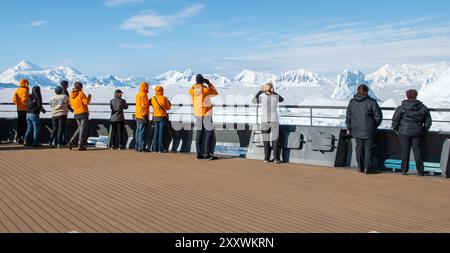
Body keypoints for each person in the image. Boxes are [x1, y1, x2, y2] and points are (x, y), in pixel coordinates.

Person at [392, 90, 432, 176]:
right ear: (416, 96)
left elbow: (395, 119)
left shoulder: (401, 107)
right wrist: (423, 130)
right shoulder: (423, 108)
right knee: (417, 151)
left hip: (403, 132)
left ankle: (404, 170)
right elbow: (428, 121)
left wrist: (396, 129)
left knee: (405, 151)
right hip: (417, 132)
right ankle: (420, 171)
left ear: (407, 96)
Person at [346, 84, 383, 175]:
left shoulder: (352, 102)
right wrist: (374, 126)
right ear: (367, 92)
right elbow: (378, 116)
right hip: (368, 130)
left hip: (356, 129)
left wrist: (349, 128)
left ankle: (360, 167)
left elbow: (348, 116)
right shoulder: (371, 102)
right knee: (369, 149)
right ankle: (368, 168)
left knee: (359, 148)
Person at [253, 83, 284, 164]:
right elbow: (282, 99)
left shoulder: (262, 97)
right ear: (272, 88)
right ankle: (276, 159)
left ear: (265, 89)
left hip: (264, 121)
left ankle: (266, 158)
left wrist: (260, 91)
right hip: (274, 120)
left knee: (266, 141)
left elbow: (253, 100)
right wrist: (274, 92)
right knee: (275, 140)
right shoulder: (275, 97)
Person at [189, 74, 219, 160]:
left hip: (197, 114)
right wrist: (208, 83)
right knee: (208, 133)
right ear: (202, 81)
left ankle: (199, 154)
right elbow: (215, 92)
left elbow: (191, 89)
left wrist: (198, 84)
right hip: (206, 114)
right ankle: (207, 154)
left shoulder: (192, 91)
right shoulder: (205, 90)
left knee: (199, 133)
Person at [68, 82, 92, 151]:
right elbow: (86, 102)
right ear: (80, 87)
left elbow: (71, 103)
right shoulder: (81, 93)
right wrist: (89, 97)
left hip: (76, 113)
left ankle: (71, 141)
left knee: (79, 128)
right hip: (83, 113)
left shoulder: (71, 94)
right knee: (82, 129)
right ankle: (80, 145)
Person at [150, 86, 172, 153]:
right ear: (162, 90)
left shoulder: (153, 98)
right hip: (162, 117)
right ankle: (160, 148)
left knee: (156, 133)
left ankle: (154, 148)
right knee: (161, 133)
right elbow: (168, 108)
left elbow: (152, 105)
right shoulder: (164, 98)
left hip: (155, 117)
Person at [12, 79, 30, 144]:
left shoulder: (17, 90)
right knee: (25, 125)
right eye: (27, 83)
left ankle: (18, 138)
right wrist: (28, 105)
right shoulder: (25, 90)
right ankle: (24, 138)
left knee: (19, 124)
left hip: (18, 109)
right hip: (25, 110)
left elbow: (14, 99)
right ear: (25, 83)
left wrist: (18, 104)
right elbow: (24, 100)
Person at [135, 82, 150, 152]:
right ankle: (141, 147)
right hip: (142, 116)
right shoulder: (144, 95)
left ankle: (137, 146)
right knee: (142, 132)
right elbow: (143, 106)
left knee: (138, 132)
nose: (148, 88)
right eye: (147, 87)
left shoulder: (138, 94)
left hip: (138, 115)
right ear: (144, 87)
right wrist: (145, 116)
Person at [59, 80, 74, 145]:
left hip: (58, 110)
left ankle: (58, 141)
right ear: (65, 85)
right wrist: (71, 109)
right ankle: (63, 141)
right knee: (63, 127)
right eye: (67, 84)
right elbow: (67, 102)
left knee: (59, 127)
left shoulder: (59, 91)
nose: (68, 85)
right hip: (63, 111)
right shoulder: (65, 91)